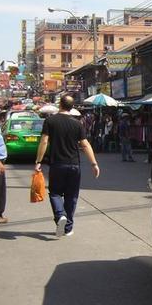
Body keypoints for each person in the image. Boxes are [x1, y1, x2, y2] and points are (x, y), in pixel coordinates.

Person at [35, 95, 100, 238]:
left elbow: (44, 141)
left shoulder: (50, 121)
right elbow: (85, 144)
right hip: (74, 165)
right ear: (72, 107)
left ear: (60, 105)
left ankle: (60, 216)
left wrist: (38, 161)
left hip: (57, 164)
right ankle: (68, 227)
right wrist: (94, 164)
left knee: (55, 193)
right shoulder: (77, 123)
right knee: (72, 196)